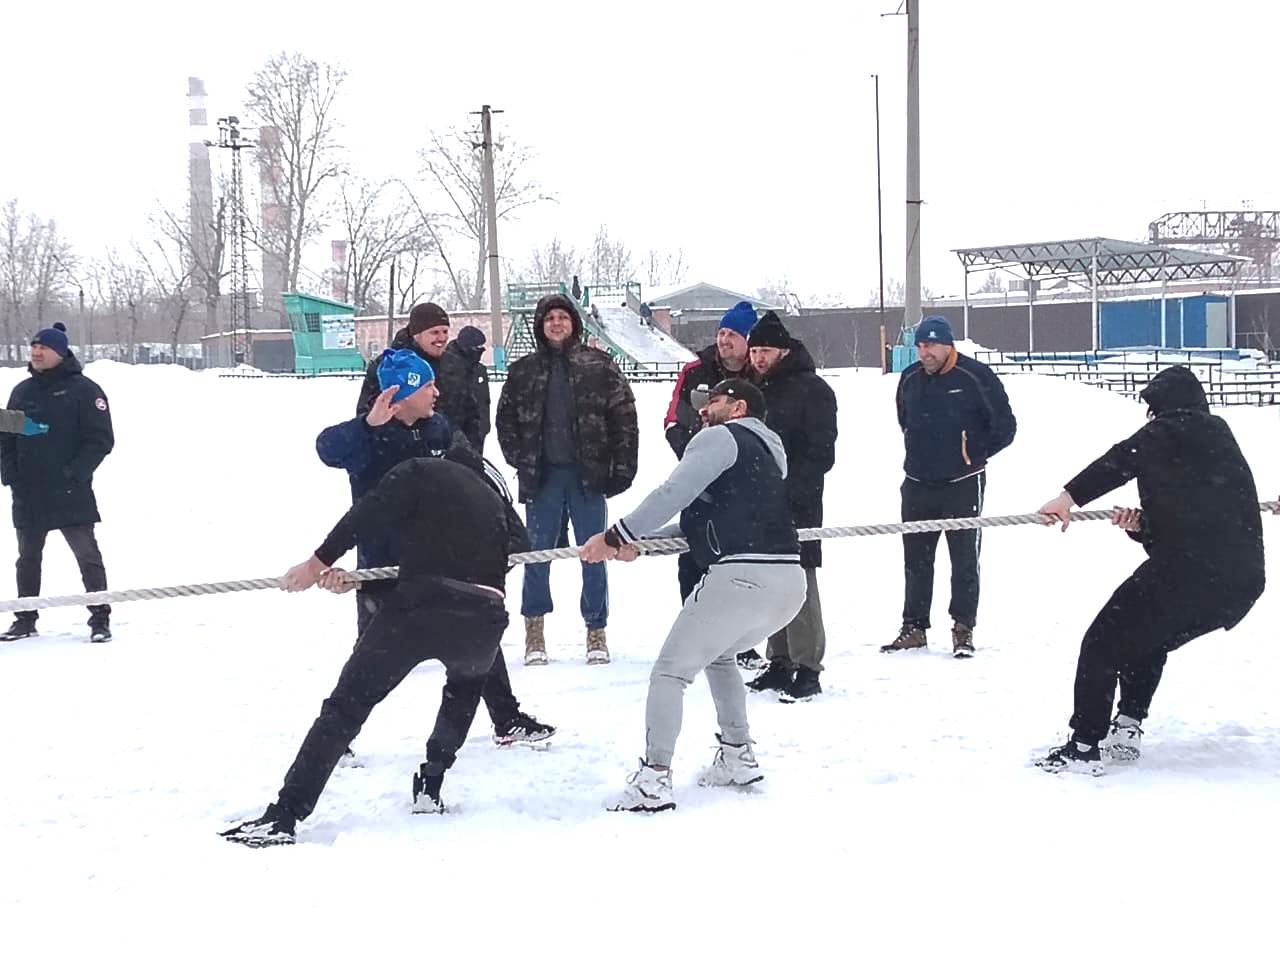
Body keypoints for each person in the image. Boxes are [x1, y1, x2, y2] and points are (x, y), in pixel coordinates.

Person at [220, 383, 534, 847]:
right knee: (461, 693)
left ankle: (285, 814)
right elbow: (520, 549)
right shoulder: (493, 496)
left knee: (346, 707)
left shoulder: (415, 471)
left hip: (418, 606)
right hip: (484, 617)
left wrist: (317, 565)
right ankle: (431, 780)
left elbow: (365, 516)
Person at [580, 378, 806, 813]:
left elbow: (671, 494)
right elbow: (704, 522)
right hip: (788, 582)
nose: (702, 410)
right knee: (718, 655)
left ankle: (653, 781)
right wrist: (639, 544)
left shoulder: (719, 438)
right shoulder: (769, 451)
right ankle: (738, 756)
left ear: (738, 408)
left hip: (740, 578)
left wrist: (615, 534)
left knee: (670, 673)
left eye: (713, 402)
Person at [318, 348, 553, 748]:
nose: (436, 392)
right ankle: (337, 735)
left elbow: (480, 477)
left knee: (478, 635)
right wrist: (368, 425)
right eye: (427, 385)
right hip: (382, 566)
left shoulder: (438, 429)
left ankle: (506, 717)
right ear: (402, 392)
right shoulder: (364, 438)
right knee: (368, 659)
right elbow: (326, 448)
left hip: (440, 559)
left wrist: (511, 534)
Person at [1034, 365, 1265, 775]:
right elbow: (1198, 518)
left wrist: (1067, 498)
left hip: (1192, 572)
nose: (1150, 418)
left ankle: (1084, 745)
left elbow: (1119, 460)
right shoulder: (1217, 436)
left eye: (1153, 408)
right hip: (1239, 581)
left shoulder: (1174, 428)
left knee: (1102, 643)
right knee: (1146, 638)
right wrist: (1141, 527)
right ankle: (1127, 725)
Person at [495, 293, 638, 666]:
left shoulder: (599, 366)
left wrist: (622, 466)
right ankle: (535, 630)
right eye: (549, 318)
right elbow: (505, 420)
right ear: (540, 326)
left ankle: (596, 630)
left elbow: (623, 416)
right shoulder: (523, 370)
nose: (556, 323)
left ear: (574, 323)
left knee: (595, 553)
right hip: (543, 479)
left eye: (563, 317)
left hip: (588, 478)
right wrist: (521, 458)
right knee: (536, 554)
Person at [881, 315, 1016, 658]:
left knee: (965, 559)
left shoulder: (975, 376)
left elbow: (1005, 426)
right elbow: (904, 419)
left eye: (931, 345)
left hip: (962, 483)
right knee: (916, 559)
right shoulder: (910, 378)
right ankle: (914, 627)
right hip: (916, 482)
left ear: (947, 345)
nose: (924, 352)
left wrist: (972, 453)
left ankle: (963, 627)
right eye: (920, 346)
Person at [738, 312, 838, 701]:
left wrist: (792, 491)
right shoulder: (752, 391)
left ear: (784, 350)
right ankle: (779, 659)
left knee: (800, 581)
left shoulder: (813, 390)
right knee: (767, 582)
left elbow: (821, 452)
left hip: (798, 502)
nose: (759, 358)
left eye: (766, 350)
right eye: (756, 350)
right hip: (755, 501)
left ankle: (808, 665)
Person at [0, 323, 115, 642]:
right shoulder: (21, 391)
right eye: (33, 346)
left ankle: (99, 617)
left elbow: (101, 440)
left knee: (87, 556)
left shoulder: (85, 390)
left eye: (43, 347)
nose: (36, 352)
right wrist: (9, 474)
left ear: (60, 352)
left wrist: (74, 474)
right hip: (29, 492)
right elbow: (6, 435)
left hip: (70, 491)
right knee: (27, 558)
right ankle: (25, 618)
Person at [662, 300, 759, 618]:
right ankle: (693, 628)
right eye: (722, 332)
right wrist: (698, 456)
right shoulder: (695, 371)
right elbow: (673, 422)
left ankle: (739, 640)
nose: (724, 339)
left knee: (741, 561)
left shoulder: (759, 375)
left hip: (746, 484)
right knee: (693, 557)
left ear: (748, 340)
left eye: (733, 333)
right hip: (700, 483)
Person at [355, 302, 485, 452]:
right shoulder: (387, 367)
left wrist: (469, 450)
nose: (442, 338)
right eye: (435, 332)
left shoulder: (455, 364)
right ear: (417, 334)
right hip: (401, 459)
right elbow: (369, 416)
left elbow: (472, 414)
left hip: (453, 461)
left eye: (445, 331)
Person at [443, 325, 491, 454]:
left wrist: (484, 427)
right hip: (454, 435)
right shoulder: (445, 366)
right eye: (477, 348)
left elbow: (484, 401)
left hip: (477, 434)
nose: (480, 351)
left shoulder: (479, 370)